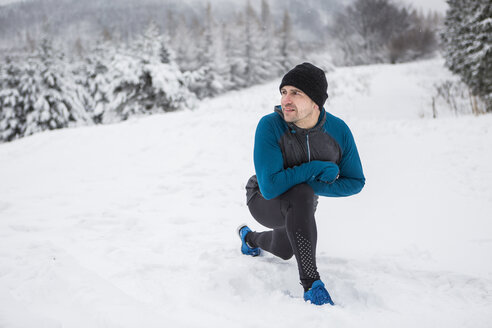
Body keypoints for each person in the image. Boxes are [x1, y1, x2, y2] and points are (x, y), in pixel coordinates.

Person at [238, 62, 365, 306]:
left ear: (316, 102)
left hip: (302, 205)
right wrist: (316, 169)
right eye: (284, 92)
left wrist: (312, 187)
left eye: (296, 93)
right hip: (263, 199)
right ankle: (312, 285)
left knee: (284, 249)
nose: (286, 99)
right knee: (301, 193)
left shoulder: (338, 131)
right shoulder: (270, 126)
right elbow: (271, 187)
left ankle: (249, 239)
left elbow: (355, 182)